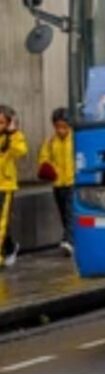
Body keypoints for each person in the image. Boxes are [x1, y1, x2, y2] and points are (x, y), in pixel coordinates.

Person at [38, 108, 74, 256]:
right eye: (58, 127)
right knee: (63, 213)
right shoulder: (50, 141)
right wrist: (47, 168)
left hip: (73, 183)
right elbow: (43, 158)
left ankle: (68, 240)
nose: (61, 130)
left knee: (70, 212)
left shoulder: (76, 139)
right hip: (58, 184)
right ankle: (71, 240)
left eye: (64, 127)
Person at [0, 105, 28, 268]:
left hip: (5, 185)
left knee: (2, 222)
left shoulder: (14, 137)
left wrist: (12, 133)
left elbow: (21, 151)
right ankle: (9, 247)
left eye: (2, 123)